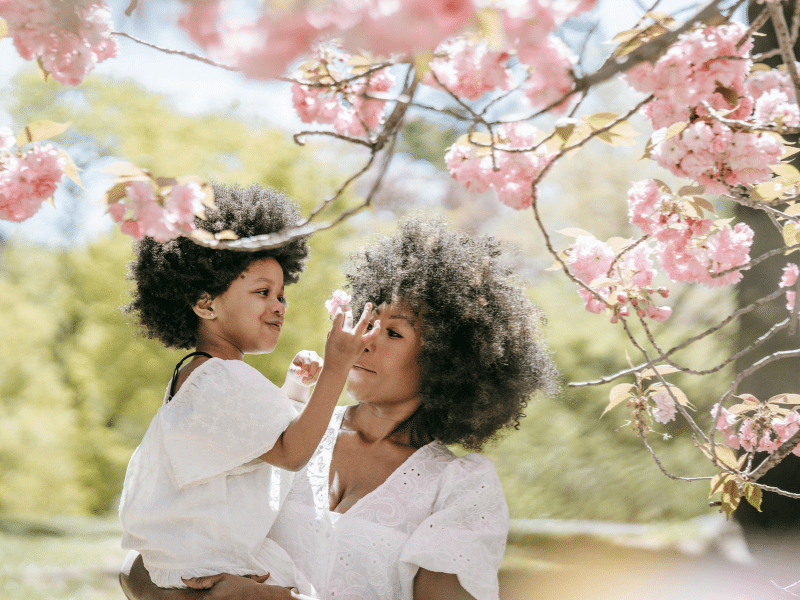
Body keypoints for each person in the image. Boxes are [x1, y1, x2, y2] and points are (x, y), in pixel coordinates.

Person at [120, 215, 555, 600]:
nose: (365, 339)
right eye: (368, 321)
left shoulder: (460, 488)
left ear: (446, 363)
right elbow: (140, 566)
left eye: (394, 334)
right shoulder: (284, 428)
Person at [118, 182, 378, 596]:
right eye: (262, 292)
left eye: (281, 293)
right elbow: (291, 453)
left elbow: (257, 443)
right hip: (206, 572)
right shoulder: (222, 377)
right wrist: (336, 369)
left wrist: (294, 390)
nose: (278, 305)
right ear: (206, 305)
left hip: (184, 566)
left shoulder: (199, 375)